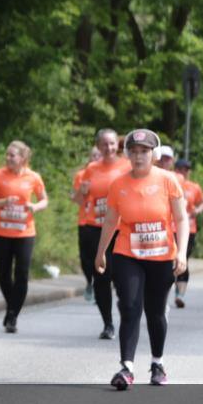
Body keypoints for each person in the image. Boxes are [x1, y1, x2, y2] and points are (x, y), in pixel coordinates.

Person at [95, 129, 188, 389]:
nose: (138, 157)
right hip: (128, 253)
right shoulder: (118, 184)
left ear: (154, 154)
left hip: (161, 256)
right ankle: (126, 368)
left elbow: (181, 219)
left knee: (156, 312)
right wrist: (101, 251)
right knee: (129, 305)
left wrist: (181, 252)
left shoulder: (168, 180)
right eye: (134, 152)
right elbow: (111, 221)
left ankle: (157, 363)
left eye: (144, 152)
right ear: (127, 155)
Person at [0, 140, 48, 333]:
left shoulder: (33, 177)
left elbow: (44, 200)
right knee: (3, 274)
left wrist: (34, 207)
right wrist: (2, 202)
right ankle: (12, 306)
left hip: (24, 232)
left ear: (23, 158)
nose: (8, 158)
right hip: (1, 232)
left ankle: (12, 314)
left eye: (12, 155)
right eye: (7, 154)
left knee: (22, 274)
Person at [76, 129, 131, 339]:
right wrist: (82, 192)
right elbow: (82, 202)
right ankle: (108, 323)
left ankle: (127, 315)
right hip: (95, 228)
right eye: (104, 144)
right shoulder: (91, 169)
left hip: (120, 230)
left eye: (111, 144)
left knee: (122, 277)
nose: (108, 148)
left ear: (117, 145)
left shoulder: (126, 165)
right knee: (101, 278)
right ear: (98, 147)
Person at [173, 159, 203, 308]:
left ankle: (180, 294)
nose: (182, 172)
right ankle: (169, 286)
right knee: (169, 261)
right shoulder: (169, 183)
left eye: (185, 169)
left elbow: (201, 203)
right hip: (170, 228)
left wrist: (198, 210)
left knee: (183, 259)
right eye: (180, 169)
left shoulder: (194, 187)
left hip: (189, 228)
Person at [71, 146, 101, 302]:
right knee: (85, 257)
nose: (96, 157)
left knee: (101, 255)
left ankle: (100, 286)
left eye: (99, 155)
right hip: (85, 221)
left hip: (103, 223)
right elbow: (76, 199)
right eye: (93, 155)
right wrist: (81, 191)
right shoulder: (81, 175)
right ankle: (90, 281)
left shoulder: (108, 174)